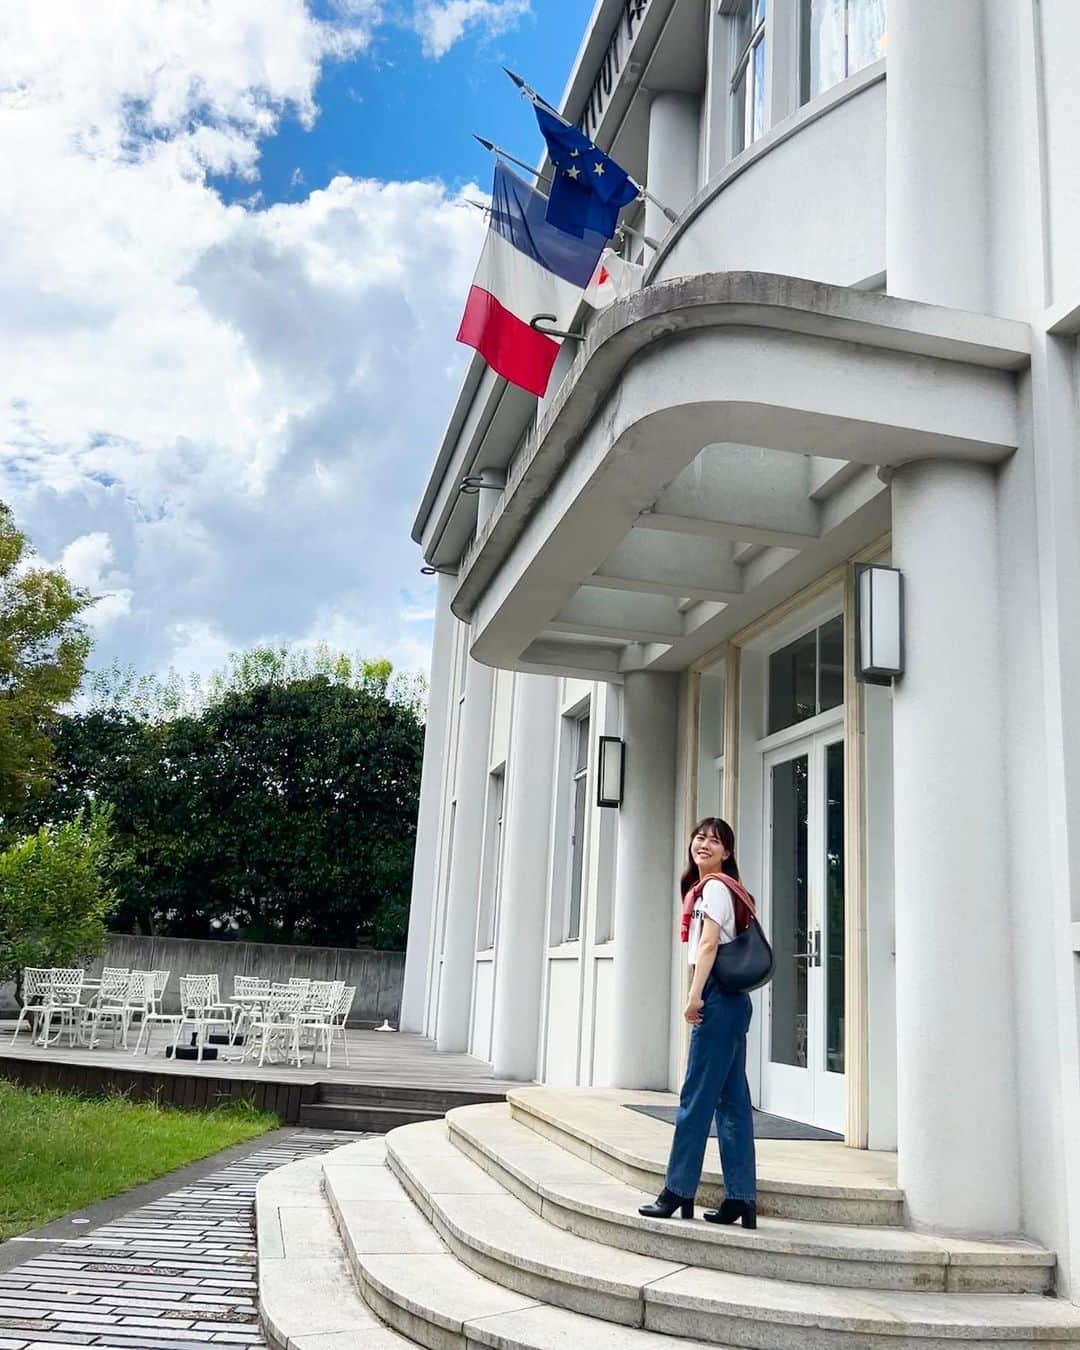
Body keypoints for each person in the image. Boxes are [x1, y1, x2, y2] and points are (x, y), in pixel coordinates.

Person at [638, 817, 758, 1228]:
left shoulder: (715, 888)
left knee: (695, 1100)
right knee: (732, 1102)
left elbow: (708, 944)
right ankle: (741, 1197)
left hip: (717, 999)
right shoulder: (717, 888)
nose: (704, 843)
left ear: (727, 852)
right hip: (733, 1002)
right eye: (700, 836)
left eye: (715, 840)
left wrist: (693, 996)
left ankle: (677, 1189)